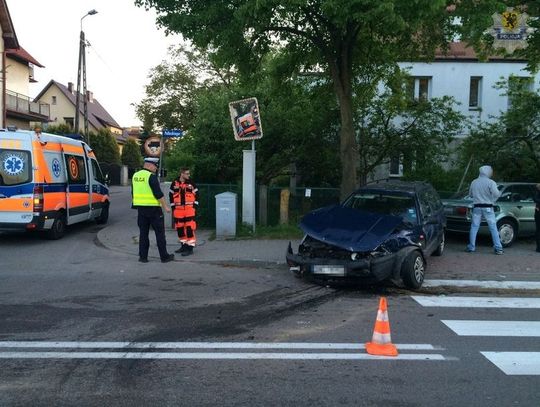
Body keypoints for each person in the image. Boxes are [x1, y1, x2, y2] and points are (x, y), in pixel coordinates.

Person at [132, 157, 174, 263]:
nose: (156, 169)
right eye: (155, 166)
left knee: (143, 233)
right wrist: (165, 207)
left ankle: (143, 257)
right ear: (150, 165)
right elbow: (158, 194)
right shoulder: (151, 176)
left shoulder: (135, 176)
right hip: (154, 210)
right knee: (159, 233)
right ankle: (164, 257)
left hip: (141, 210)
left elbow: (133, 192)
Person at [466, 165, 503, 255]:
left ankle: (471, 247)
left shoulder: (474, 182)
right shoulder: (491, 182)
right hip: (488, 208)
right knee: (493, 227)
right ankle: (498, 248)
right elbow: (497, 194)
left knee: (474, 227)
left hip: (477, 207)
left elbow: (470, 194)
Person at [169, 167, 198, 256]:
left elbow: (197, 195)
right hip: (178, 210)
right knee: (180, 229)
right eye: (187, 173)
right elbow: (170, 195)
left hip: (189, 210)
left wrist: (195, 206)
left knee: (189, 228)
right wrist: (173, 207)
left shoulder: (191, 183)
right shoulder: (174, 183)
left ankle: (190, 249)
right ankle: (183, 246)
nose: (189, 175)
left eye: (189, 174)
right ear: (182, 174)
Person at [534, 183, 540, 253]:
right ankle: (538, 247)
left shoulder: (537, 193)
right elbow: (535, 199)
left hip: (538, 213)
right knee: (538, 230)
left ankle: (538, 247)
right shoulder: (537, 193)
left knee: (538, 230)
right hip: (538, 213)